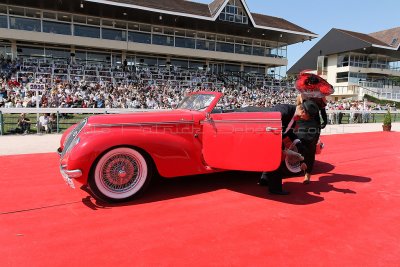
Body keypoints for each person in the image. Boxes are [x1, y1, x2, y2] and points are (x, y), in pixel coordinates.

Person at [259, 100, 320, 195]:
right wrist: (281, 146)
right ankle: (275, 188)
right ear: (304, 112)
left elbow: (288, 132)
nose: (308, 120)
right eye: (310, 117)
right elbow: (271, 123)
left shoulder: (294, 117)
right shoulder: (284, 110)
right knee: (276, 160)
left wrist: (298, 143)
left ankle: (265, 179)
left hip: (273, 137)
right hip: (266, 136)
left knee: (272, 159)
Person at [296, 95, 328, 184]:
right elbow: (298, 107)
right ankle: (302, 165)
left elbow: (323, 109)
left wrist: (325, 121)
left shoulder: (320, 96)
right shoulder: (301, 94)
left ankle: (307, 174)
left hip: (314, 124)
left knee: (311, 149)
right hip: (302, 122)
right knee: (301, 146)